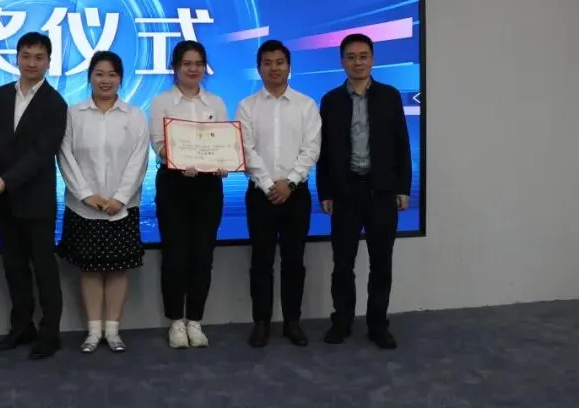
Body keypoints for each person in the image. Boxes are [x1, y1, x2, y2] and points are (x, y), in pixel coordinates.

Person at [318, 33, 411, 350]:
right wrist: (325, 192)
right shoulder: (331, 100)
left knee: (381, 263)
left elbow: (402, 144)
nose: (357, 62)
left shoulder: (389, 96)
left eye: (363, 56)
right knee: (343, 264)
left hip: (382, 192)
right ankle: (342, 321)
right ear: (342, 61)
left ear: (372, 59)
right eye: (351, 57)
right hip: (345, 193)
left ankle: (378, 325)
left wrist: (403, 188)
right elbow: (324, 152)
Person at [57, 51, 149, 353]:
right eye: (99, 74)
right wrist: (86, 194)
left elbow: (139, 160)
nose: (105, 80)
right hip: (83, 207)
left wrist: (120, 197)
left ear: (120, 78)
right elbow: (65, 156)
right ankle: (93, 331)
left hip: (123, 208)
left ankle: (113, 331)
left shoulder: (134, 115)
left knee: (119, 270)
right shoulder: (74, 114)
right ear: (90, 78)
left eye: (111, 74)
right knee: (90, 269)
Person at [0, 31, 69, 359]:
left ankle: (50, 333)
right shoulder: (1, 94)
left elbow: (41, 153)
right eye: (26, 56)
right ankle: (21, 326)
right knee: (14, 266)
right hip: (2, 198)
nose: (31, 63)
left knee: (44, 268)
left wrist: (6, 180)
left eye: (39, 57)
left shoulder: (55, 103)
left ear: (49, 62)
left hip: (36, 199)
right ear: (16, 57)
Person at [236, 40, 321, 348]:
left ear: (289, 66)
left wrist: (291, 183)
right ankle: (261, 323)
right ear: (259, 68)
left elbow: (311, 149)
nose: (274, 68)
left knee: (294, 261)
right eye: (267, 63)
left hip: (296, 195)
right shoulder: (247, 106)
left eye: (280, 62)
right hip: (260, 195)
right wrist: (268, 184)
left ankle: (292, 321)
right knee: (261, 261)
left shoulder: (306, 105)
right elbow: (245, 149)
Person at [148, 39, 230, 349]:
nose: (193, 69)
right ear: (175, 67)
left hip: (208, 186)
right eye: (187, 64)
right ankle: (175, 322)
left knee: (203, 255)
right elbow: (158, 144)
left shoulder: (216, 103)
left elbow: (224, 143)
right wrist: (180, 160)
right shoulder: (162, 102)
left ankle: (195, 319)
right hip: (173, 184)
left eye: (198, 64)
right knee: (175, 254)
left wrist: (223, 163)